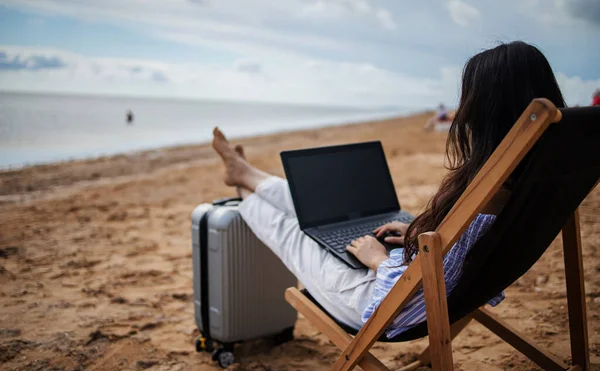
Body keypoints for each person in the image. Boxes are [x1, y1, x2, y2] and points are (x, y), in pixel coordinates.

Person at [211, 41, 566, 337]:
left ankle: (243, 184)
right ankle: (244, 173)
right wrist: (418, 233)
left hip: (384, 302)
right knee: (312, 207)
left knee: (292, 228)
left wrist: (378, 260)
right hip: (420, 276)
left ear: (487, 108)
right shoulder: (539, 173)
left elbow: (413, 288)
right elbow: (461, 254)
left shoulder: (490, 189)